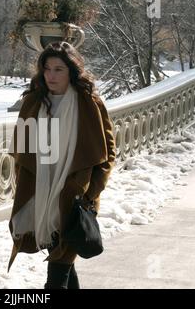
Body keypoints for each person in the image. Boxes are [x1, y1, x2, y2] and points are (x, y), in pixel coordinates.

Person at [7, 42, 116, 289]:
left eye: (59, 69)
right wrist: (25, 187)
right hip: (42, 195)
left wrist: (91, 192)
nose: (51, 75)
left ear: (72, 72)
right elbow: (21, 151)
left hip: (75, 198)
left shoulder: (89, 104)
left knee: (56, 275)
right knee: (64, 260)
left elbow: (108, 152)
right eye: (47, 69)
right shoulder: (33, 103)